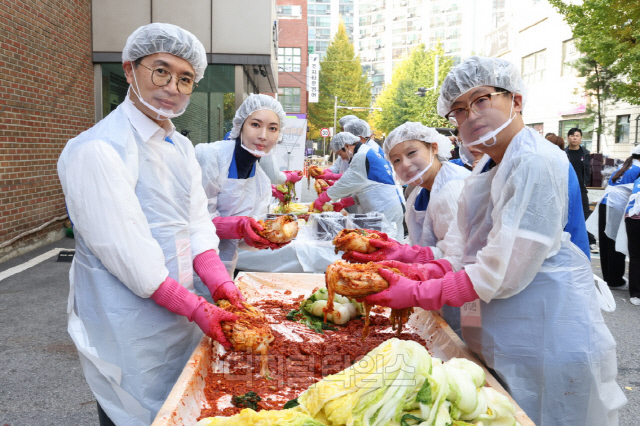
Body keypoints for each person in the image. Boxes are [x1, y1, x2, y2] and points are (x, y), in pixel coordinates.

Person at [346, 56, 625, 425]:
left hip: (545, 324)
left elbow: (502, 270)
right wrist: (414, 266)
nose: (471, 115)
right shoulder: (486, 168)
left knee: (539, 413)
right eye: (459, 110)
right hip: (504, 322)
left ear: (516, 100)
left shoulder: (534, 161)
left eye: (481, 100)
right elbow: (469, 252)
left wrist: (417, 292)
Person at [57, 23, 245, 425]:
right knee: (131, 410)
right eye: (161, 71)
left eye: (185, 78)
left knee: (181, 404)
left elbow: (196, 223)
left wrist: (220, 284)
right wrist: (195, 306)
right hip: (126, 319)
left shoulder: (179, 147)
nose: (173, 87)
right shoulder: (98, 149)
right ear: (129, 69)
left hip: (182, 315)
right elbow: (130, 256)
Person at [381, 121, 471, 337]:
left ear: (434, 147)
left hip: (460, 298)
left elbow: (459, 258)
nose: (405, 164)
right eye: (396, 160)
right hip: (434, 292)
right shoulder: (417, 194)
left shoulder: (452, 189)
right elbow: (422, 243)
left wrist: (414, 264)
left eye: (412, 152)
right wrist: (401, 252)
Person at [195, 94, 291, 277]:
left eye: (272, 128)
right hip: (188, 266)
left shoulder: (262, 184)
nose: (263, 136)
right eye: (255, 125)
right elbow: (194, 218)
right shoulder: (209, 156)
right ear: (240, 126)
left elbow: (242, 243)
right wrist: (239, 226)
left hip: (224, 270)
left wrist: (264, 238)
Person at [313, 132, 406, 241]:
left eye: (339, 154)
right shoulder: (366, 152)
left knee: (388, 245)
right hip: (388, 206)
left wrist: (323, 197)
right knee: (392, 243)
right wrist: (345, 202)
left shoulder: (362, 155)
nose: (342, 158)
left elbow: (347, 182)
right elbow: (369, 186)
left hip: (385, 208)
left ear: (347, 146)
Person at [587, 147, 640, 289]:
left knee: (606, 242)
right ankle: (616, 280)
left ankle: (609, 278)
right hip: (617, 206)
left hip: (606, 204)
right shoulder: (638, 169)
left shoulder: (625, 166)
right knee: (616, 242)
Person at [565, 127, 598, 252]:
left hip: (581, 188)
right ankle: (568, 240)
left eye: (577, 135)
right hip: (566, 188)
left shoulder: (585, 153)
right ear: (568, 138)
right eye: (572, 135)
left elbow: (587, 171)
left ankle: (591, 241)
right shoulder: (564, 153)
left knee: (585, 213)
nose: (574, 138)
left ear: (581, 138)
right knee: (566, 213)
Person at [622, 170, 640, 305]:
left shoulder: (637, 179)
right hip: (635, 217)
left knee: (635, 256)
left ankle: (636, 294)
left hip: (632, 218)